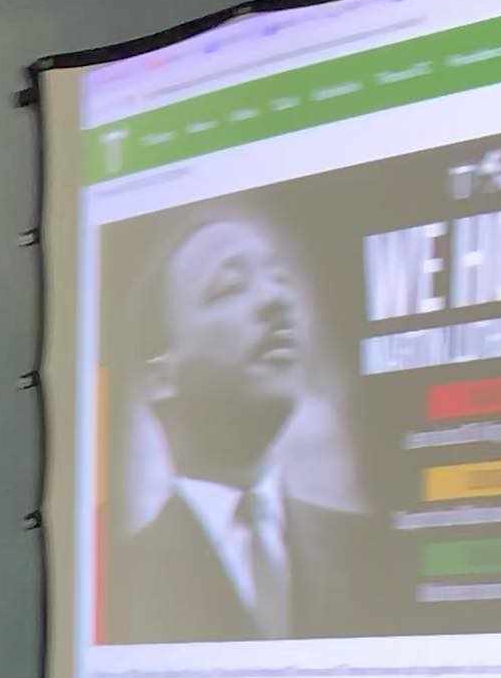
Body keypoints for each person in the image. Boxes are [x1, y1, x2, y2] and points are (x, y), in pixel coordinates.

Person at [103, 213, 368, 644]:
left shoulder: (368, 550)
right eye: (229, 287)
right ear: (160, 377)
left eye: (280, 278)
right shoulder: (120, 585)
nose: (276, 298)